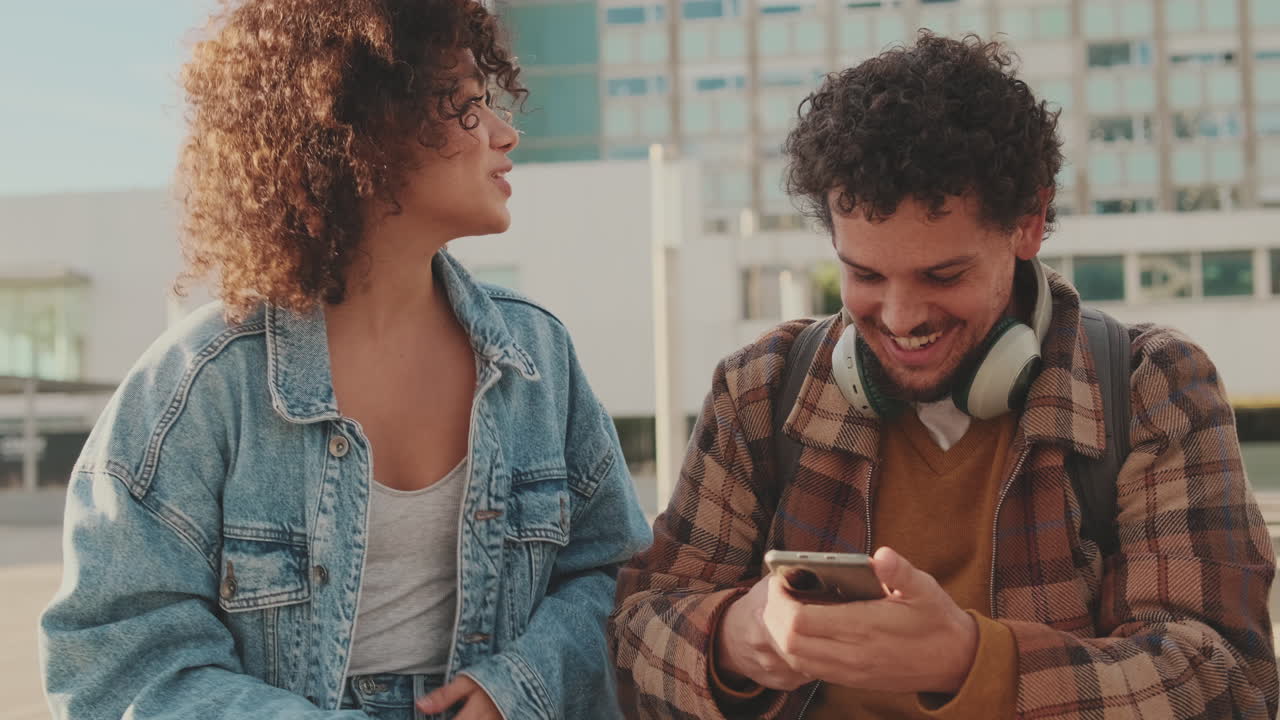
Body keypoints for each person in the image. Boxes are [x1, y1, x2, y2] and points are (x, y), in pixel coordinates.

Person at [610, 32, 1276, 719]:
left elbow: (1228, 684)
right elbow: (631, 635)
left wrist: (969, 661)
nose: (899, 318)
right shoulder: (758, 391)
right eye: (865, 275)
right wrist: (729, 639)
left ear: (1030, 223)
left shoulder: (1150, 389)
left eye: (943, 275)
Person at [39, 1, 651, 718]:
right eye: (467, 106)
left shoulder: (537, 356)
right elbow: (117, 659)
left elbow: (621, 581)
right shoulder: (200, 384)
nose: (505, 133)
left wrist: (517, 688)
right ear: (362, 124)